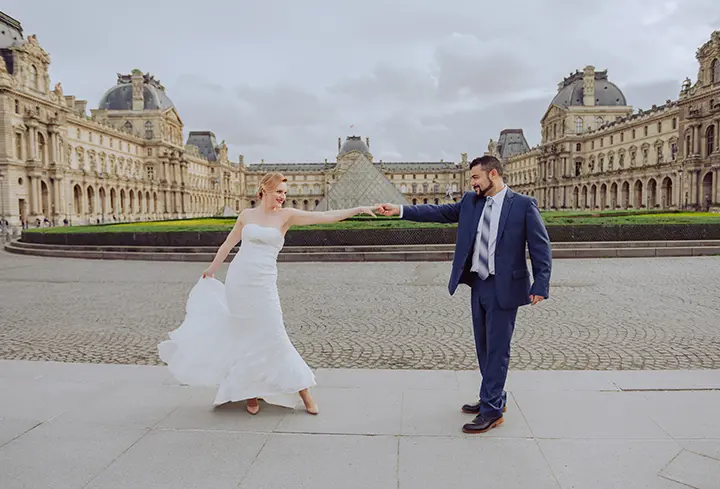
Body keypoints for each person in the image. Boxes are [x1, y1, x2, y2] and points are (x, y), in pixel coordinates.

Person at [159, 172, 378, 415]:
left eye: (285, 192)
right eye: (279, 192)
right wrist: (211, 270)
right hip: (239, 280)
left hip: (264, 283)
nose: (283, 197)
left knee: (275, 334)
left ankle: (304, 391)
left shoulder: (287, 216)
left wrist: (358, 208)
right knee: (245, 337)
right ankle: (250, 393)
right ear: (264, 190)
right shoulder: (246, 215)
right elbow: (228, 244)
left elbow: (325, 216)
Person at [377, 155, 551, 434]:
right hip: (478, 283)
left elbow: (541, 246)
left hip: (505, 285)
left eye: (475, 178)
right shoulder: (471, 202)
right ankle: (493, 396)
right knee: (483, 346)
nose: (472, 183)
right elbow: (436, 212)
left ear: (492, 174)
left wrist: (541, 283)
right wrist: (399, 210)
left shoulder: (522, 205)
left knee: (497, 348)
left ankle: (492, 411)